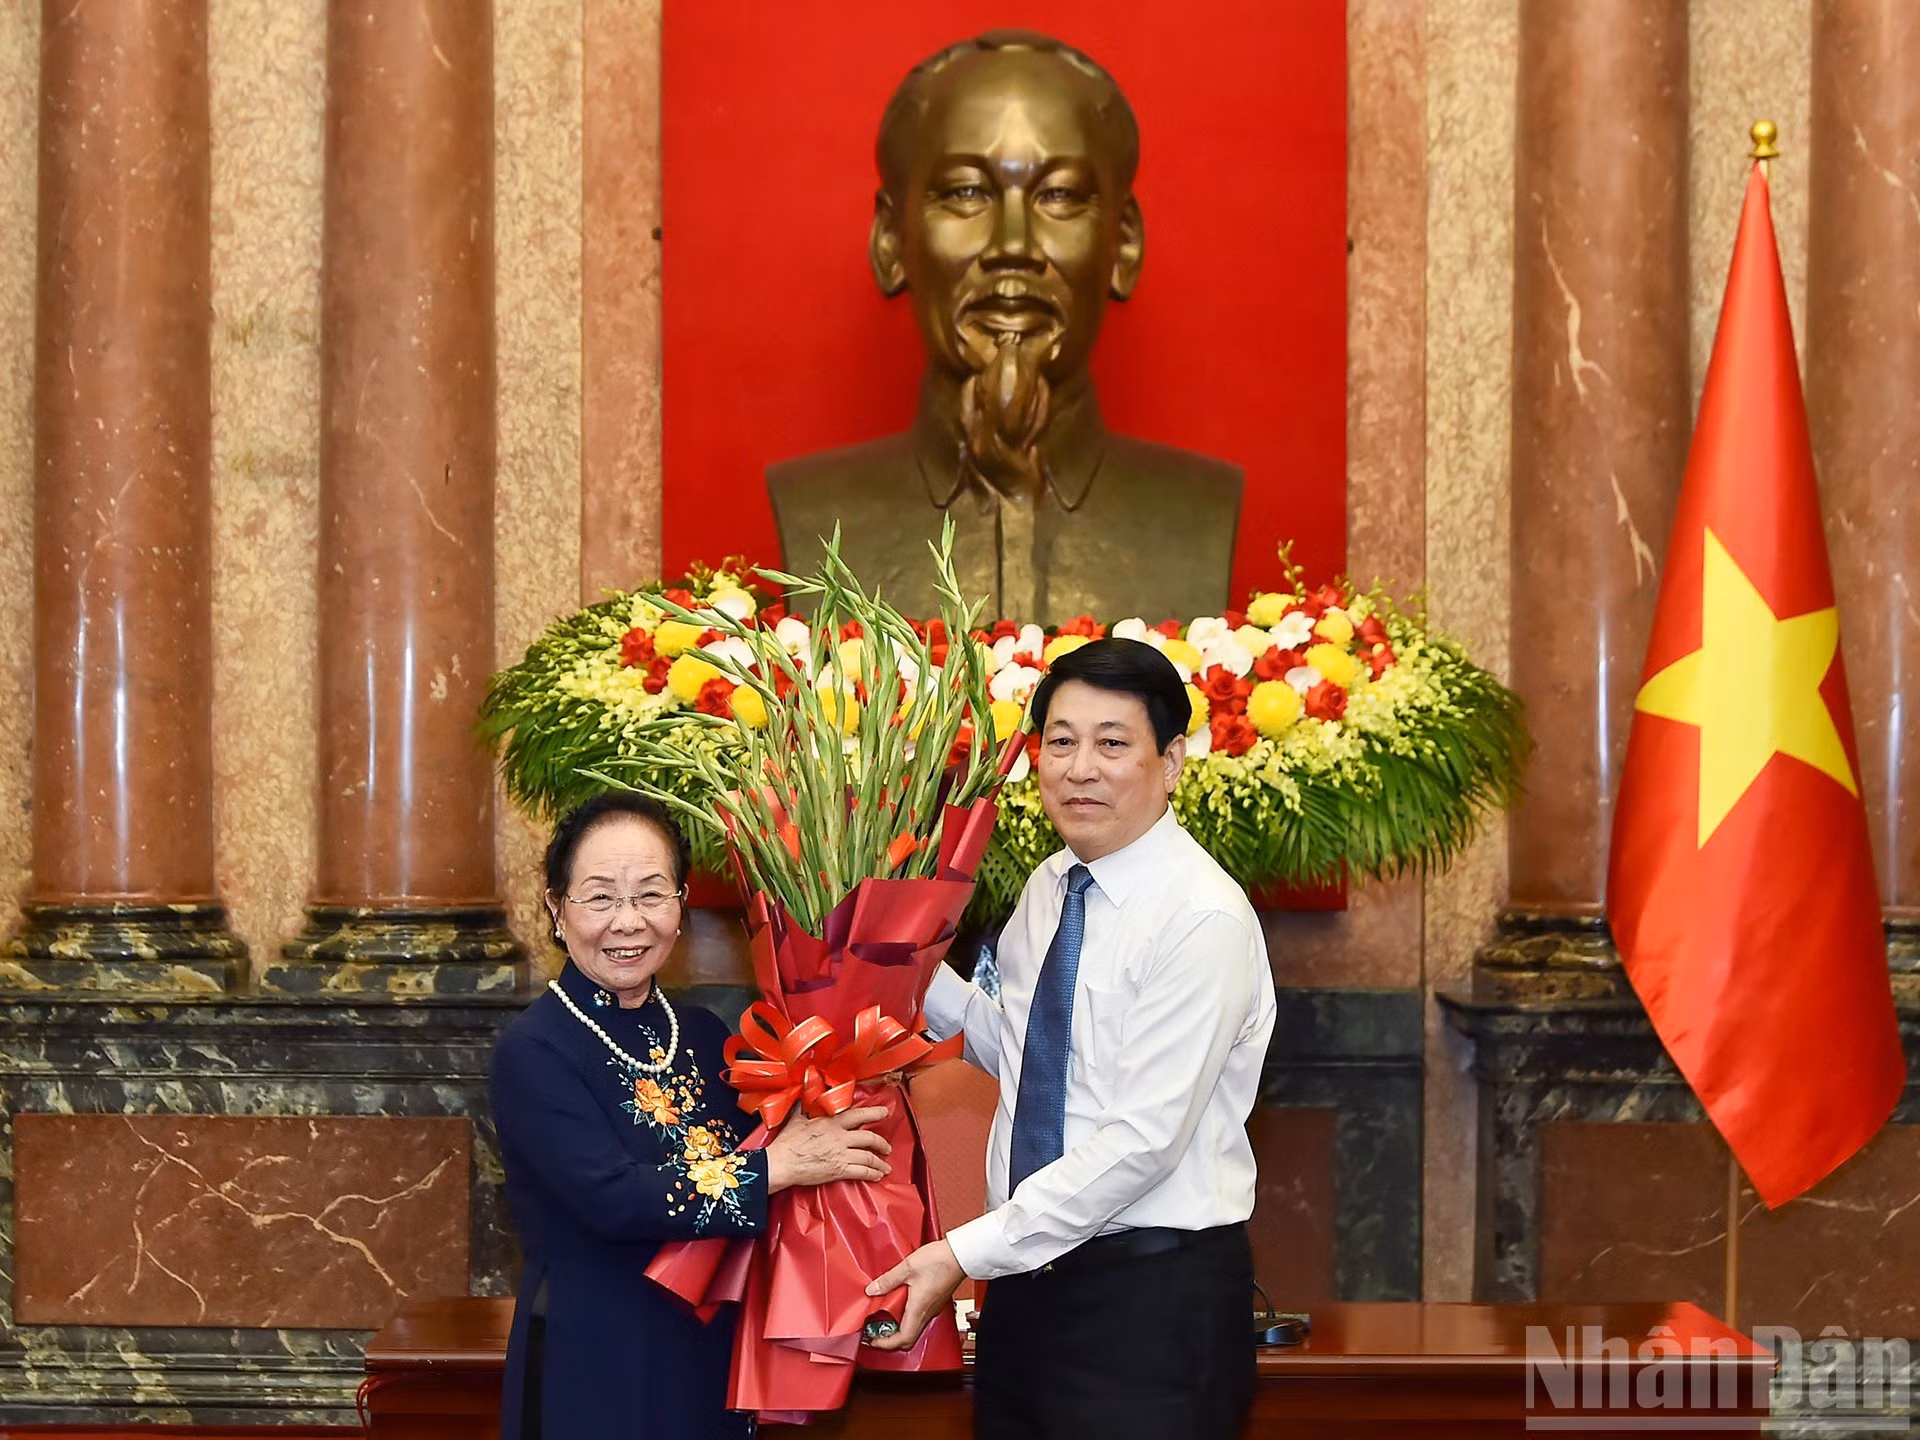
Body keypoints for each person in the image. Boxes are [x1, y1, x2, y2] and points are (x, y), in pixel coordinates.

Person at [866, 638, 1278, 1439]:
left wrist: (962, 1251)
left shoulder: (1202, 919)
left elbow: (1142, 1141)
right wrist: (891, 962)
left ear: (1174, 760)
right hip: (1026, 1290)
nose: (1079, 767)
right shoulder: (1052, 887)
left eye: (1112, 743)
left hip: (1147, 1305)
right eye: (1060, 740)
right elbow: (1017, 1051)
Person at [767, 30, 1241, 627]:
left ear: (1123, 243)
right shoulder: (815, 508)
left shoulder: (1199, 510)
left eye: (1060, 195)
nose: (1013, 246)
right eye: (966, 193)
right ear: (892, 241)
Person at [492, 792, 893, 1439]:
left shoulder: (705, 1034)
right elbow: (614, 1196)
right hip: (595, 1356)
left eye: (652, 894)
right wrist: (774, 1168)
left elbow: (771, 1158)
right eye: (599, 897)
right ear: (555, 909)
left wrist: (844, 1084)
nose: (628, 921)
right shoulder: (534, 1050)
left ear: (680, 906)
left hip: (707, 1348)